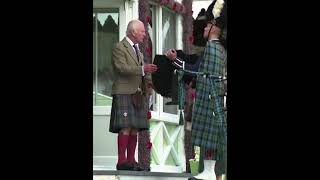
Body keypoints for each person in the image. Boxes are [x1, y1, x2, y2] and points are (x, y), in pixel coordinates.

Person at [165, 1, 227, 179]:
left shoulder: (213, 47)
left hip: (208, 99)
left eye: (208, 25)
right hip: (212, 98)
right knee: (210, 140)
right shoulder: (218, 48)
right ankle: (211, 173)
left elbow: (198, 71)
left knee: (203, 140)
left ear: (215, 28)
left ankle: (203, 172)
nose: (205, 27)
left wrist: (174, 61)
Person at [109, 19, 158, 171]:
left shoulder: (139, 50)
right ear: (133, 32)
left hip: (138, 93)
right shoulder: (119, 47)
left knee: (135, 127)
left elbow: (143, 72)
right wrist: (143, 69)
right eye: (142, 31)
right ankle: (121, 161)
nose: (145, 34)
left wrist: (148, 87)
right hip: (124, 91)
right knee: (125, 127)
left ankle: (131, 161)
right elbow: (121, 68)